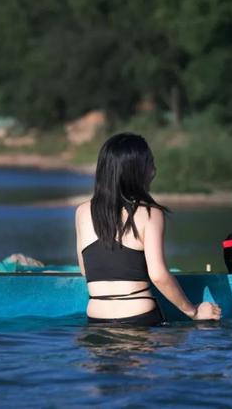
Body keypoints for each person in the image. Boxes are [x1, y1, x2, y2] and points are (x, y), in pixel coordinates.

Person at [75, 133, 221, 326]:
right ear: (134, 171)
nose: (154, 171)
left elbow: (86, 271)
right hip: (139, 317)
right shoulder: (149, 213)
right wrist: (193, 312)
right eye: (150, 163)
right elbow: (158, 275)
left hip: (96, 319)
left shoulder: (82, 212)